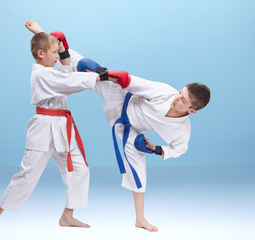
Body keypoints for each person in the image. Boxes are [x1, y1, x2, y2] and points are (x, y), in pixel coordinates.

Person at [26, 20, 210, 233]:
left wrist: (155, 149)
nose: (176, 98)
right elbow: (132, 81)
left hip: (128, 129)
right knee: (84, 65)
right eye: (180, 92)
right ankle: (55, 43)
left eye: (183, 100)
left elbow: (179, 148)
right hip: (122, 100)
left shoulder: (182, 130)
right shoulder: (164, 91)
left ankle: (140, 219)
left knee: (139, 171)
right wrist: (105, 74)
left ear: (191, 111)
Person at [0, 21, 129, 235]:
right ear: (40, 53)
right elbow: (69, 82)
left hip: (62, 124)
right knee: (28, 175)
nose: (56, 56)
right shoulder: (41, 74)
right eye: (53, 52)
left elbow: (66, 74)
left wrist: (63, 49)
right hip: (43, 127)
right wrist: (104, 76)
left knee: (80, 168)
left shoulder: (50, 70)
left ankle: (67, 215)